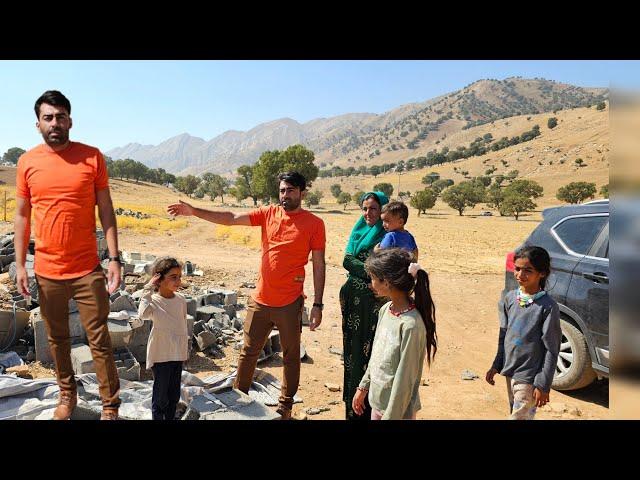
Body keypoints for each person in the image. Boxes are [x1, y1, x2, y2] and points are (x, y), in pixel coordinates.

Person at [167, 171, 325, 420]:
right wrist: (195, 211)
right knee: (248, 353)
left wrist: (317, 304)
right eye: (282, 190)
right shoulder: (269, 213)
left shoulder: (315, 224)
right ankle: (238, 401)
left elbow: (318, 264)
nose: (285, 195)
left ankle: (285, 407)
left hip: (290, 303)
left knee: (291, 356)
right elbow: (231, 217)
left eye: (291, 190)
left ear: (302, 193)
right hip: (260, 300)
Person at [14, 90, 122, 420]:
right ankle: (66, 396)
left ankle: (110, 405)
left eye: (61, 116)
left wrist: (115, 258)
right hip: (47, 271)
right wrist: (20, 264)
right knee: (58, 339)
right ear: (38, 124)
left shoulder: (92, 157)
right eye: (48, 118)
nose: (55, 123)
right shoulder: (27, 162)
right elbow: (22, 215)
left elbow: (106, 209)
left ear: (70, 120)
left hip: (87, 268)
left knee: (99, 339)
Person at [352, 248, 437, 420]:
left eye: (373, 279)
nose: (371, 284)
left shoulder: (411, 326)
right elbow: (377, 354)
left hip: (398, 411)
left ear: (387, 282)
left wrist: (391, 416)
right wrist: (363, 387)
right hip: (378, 403)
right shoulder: (386, 310)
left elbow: (405, 380)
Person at [485, 245, 561, 420]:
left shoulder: (548, 307)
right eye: (517, 269)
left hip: (529, 376)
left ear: (541, 273)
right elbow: (504, 334)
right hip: (510, 369)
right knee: (517, 413)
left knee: (519, 417)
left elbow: (552, 348)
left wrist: (543, 384)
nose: (520, 275)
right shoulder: (510, 298)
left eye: (528, 270)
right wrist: (497, 364)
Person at [339, 190, 389, 420]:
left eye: (374, 209)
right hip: (352, 303)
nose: (368, 213)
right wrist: (370, 275)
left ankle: (368, 410)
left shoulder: (388, 235)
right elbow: (346, 260)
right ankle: (352, 405)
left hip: (373, 306)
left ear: (383, 211)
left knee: (371, 353)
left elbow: (385, 269)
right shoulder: (358, 230)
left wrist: (368, 274)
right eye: (365, 208)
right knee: (352, 353)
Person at [130, 257, 188, 421]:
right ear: (160, 279)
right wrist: (148, 287)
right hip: (161, 356)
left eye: (179, 276)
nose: (178, 281)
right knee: (161, 397)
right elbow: (142, 314)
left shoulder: (181, 300)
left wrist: (184, 352)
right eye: (173, 277)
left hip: (177, 355)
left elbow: (182, 328)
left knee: (174, 395)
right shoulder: (154, 302)